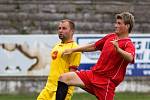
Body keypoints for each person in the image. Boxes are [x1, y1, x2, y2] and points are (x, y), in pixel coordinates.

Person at [56, 12, 135, 100]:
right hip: (93, 75)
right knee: (64, 78)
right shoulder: (111, 37)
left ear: (127, 26)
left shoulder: (128, 43)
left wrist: (118, 49)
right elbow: (94, 46)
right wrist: (74, 50)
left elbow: (130, 57)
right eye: (116, 23)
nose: (115, 25)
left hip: (106, 83)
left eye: (119, 23)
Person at [37, 19, 81, 100]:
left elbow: (72, 73)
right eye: (59, 28)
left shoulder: (75, 48)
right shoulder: (57, 46)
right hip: (48, 88)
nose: (60, 31)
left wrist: (67, 92)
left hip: (61, 90)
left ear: (72, 31)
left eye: (64, 28)